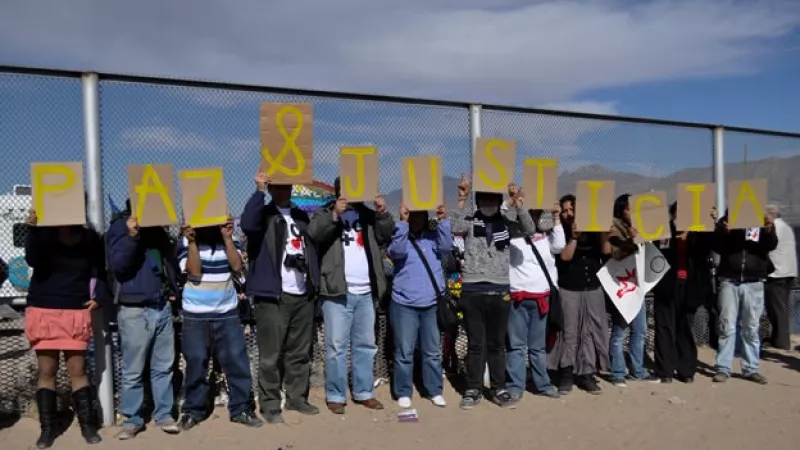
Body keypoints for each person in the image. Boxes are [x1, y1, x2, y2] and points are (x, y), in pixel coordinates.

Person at [307, 178, 394, 415]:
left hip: (366, 292)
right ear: (337, 193)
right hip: (336, 293)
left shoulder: (368, 216)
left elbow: (386, 235)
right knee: (336, 347)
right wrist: (335, 213)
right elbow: (315, 235)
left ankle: (364, 392)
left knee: (365, 345)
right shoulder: (324, 214)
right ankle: (335, 395)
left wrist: (382, 212)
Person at [239, 173, 321, 423]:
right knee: (270, 355)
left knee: (299, 352)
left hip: (302, 293)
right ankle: (271, 405)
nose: (283, 192)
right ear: (272, 189)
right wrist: (258, 191)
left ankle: (297, 398)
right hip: (273, 296)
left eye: (286, 187)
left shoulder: (301, 216)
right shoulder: (263, 215)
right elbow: (247, 225)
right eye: (277, 188)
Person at [449, 176, 536, 410]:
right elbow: (454, 227)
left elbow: (529, 228)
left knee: (497, 344)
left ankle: (499, 388)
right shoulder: (470, 220)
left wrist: (518, 202)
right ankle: (473, 389)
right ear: (479, 201)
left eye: (492, 198)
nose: (488, 202)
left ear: (499, 201)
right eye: (484, 199)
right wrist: (462, 197)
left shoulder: (507, 223)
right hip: (472, 289)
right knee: (476, 344)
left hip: (499, 290)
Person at [24, 209, 105, 448]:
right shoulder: (42, 234)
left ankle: (87, 426)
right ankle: (48, 429)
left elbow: (99, 269)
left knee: (77, 371)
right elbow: (32, 259)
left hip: (75, 310)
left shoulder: (90, 238)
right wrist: (33, 229)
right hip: (43, 308)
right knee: (47, 372)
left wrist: (99, 295)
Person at [176, 217, 264, 429]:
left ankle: (241, 408)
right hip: (195, 314)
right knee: (196, 363)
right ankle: (193, 411)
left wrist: (226, 238)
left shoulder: (230, 238)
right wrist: (193, 242)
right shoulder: (185, 242)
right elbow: (194, 272)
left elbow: (236, 266)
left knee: (237, 362)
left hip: (227, 312)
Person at [107, 200, 181, 439]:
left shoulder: (159, 233)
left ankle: (164, 414)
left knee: (164, 366)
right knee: (133, 369)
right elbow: (119, 265)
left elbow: (170, 267)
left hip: (160, 306)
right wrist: (132, 235)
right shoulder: (119, 228)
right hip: (134, 310)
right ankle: (132, 418)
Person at [386, 203, 452, 409]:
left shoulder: (432, 239)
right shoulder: (400, 239)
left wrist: (443, 220)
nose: (415, 220)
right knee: (404, 352)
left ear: (425, 218)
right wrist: (403, 224)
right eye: (411, 216)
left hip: (431, 304)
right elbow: (395, 252)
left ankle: (434, 390)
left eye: (418, 216)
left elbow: (446, 247)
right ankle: (403, 391)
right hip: (404, 304)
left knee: (432, 351)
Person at [548, 194, 610, 394]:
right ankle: (567, 374)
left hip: (592, 287)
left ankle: (587, 374)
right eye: (565, 210)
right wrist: (574, 237)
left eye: (571, 209)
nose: (568, 213)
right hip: (569, 288)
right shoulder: (559, 231)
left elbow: (606, 251)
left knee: (591, 332)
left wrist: (605, 233)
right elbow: (565, 257)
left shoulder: (593, 230)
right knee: (569, 333)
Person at [505, 204, 565, 401]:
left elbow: (560, 245)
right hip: (517, 299)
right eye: (530, 214)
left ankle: (543, 384)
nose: (533, 217)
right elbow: (502, 218)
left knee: (538, 347)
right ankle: (516, 386)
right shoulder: (511, 238)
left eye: (537, 214)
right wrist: (514, 202)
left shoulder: (546, 238)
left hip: (541, 299)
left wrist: (557, 217)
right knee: (516, 346)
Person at [713, 208, 778, 384]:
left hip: (754, 281)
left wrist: (769, 229)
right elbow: (716, 246)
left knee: (751, 326)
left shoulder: (761, 221)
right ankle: (723, 368)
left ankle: (751, 368)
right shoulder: (725, 221)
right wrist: (723, 232)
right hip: (729, 280)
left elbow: (771, 245)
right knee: (727, 325)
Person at [652, 202, 715, 383]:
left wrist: (710, 223)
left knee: (684, 327)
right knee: (664, 327)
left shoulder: (698, 234)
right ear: (672, 215)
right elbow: (653, 250)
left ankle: (686, 370)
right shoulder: (663, 231)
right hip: (666, 285)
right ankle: (664, 371)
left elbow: (711, 246)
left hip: (689, 286)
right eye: (679, 214)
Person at [607, 194, 659, 385]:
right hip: (622, 287)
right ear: (621, 210)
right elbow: (616, 254)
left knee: (640, 330)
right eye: (630, 208)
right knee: (620, 332)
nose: (633, 212)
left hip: (638, 286)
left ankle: (638, 370)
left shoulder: (640, 228)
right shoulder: (614, 229)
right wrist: (630, 240)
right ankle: (618, 372)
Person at [764, 204, 797, 350]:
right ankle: (778, 337)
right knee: (781, 307)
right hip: (789, 272)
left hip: (777, 273)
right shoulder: (787, 226)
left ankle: (781, 341)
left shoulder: (775, 227)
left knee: (776, 308)